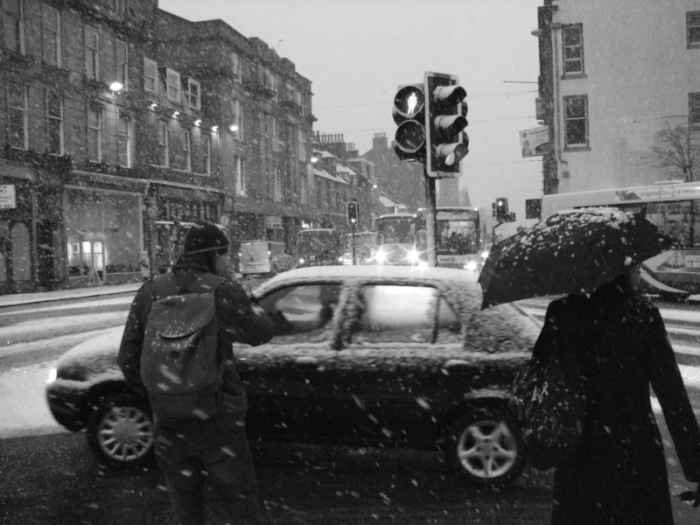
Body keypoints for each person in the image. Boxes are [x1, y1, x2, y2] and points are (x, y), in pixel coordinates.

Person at [118, 221, 275, 525]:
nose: (228, 262)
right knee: (241, 505)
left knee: (186, 510)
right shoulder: (222, 291)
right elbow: (263, 331)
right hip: (219, 420)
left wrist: (163, 393)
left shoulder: (151, 291)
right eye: (226, 255)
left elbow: (128, 359)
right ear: (214, 253)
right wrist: (242, 294)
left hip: (169, 423)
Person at [538, 263, 700, 524]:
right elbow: (672, 396)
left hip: (580, 449)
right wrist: (696, 465)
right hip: (635, 451)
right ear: (624, 272)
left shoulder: (562, 313)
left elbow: (542, 374)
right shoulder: (643, 315)